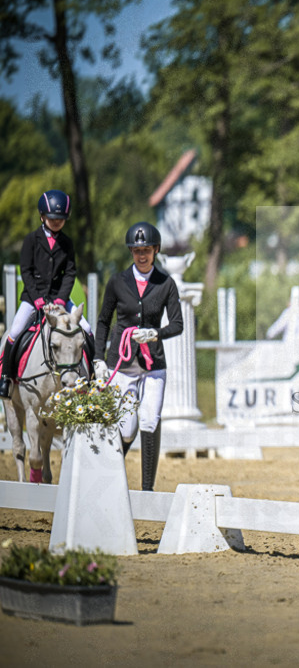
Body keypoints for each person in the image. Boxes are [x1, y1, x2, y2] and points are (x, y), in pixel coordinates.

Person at [93, 222, 183, 491]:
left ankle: (147, 490)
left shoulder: (166, 283)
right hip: (122, 364)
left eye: (146, 250)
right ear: (131, 252)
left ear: (155, 250)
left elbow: (177, 324)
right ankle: (110, 482)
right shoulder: (117, 282)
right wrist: (98, 358)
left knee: (149, 419)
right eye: (137, 251)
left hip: (153, 363)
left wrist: (155, 333)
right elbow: (103, 321)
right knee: (126, 428)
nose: (142, 255)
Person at [1, 190, 91, 399]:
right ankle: (6, 378)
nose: (57, 222)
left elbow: (70, 273)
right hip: (33, 298)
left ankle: (91, 377)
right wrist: (39, 300)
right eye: (52, 218)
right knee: (14, 332)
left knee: (87, 329)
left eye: (61, 219)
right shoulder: (31, 240)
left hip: (60, 298)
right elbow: (26, 272)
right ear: (42, 216)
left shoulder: (67, 243)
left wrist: (60, 300)